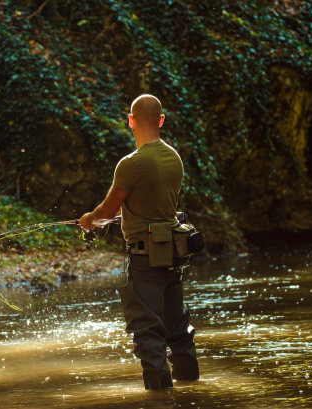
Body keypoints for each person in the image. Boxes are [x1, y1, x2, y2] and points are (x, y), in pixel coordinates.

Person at [79, 94, 199, 390]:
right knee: (178, 329)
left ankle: (160, 398)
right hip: (173, 256)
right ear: (161, 120)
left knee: (147, 332)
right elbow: (155, 204)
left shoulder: (130, 164)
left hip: (145, 260)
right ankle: (192, 388)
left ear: (131, 121)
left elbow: (105, 213)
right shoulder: (174, 157)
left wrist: (87, 220)